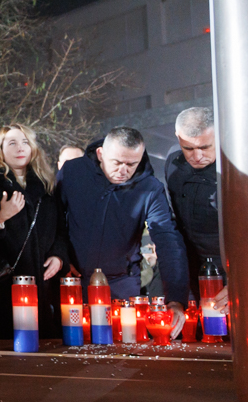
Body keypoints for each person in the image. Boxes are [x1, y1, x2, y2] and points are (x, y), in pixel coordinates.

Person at [57, 126, 189, 335]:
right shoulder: (73, 172)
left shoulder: (150, 188)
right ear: (100, 153)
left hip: (122, 284)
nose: (123, 171)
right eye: (117, 163)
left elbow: (167, 238)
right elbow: (54, 218)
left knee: (124, 345)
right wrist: (61, 255)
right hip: (72, 280)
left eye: (131, 164)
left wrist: (175, 298)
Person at [0, 124, 69, 340]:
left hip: (40, 287)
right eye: (12, 143)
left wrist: (58, 256)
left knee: (41, 347)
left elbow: (61, 230)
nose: (20, 148)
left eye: (25, 142)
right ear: (0, 150)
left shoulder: (46, 187)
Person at [165, 106, 227, 312]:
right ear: (178, 137)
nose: (197, 156)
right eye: (189, 148)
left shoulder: (237, 167)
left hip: (231, 268)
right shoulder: (173, 163)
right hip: (190, 269)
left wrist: (243, 279)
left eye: (205, 147)